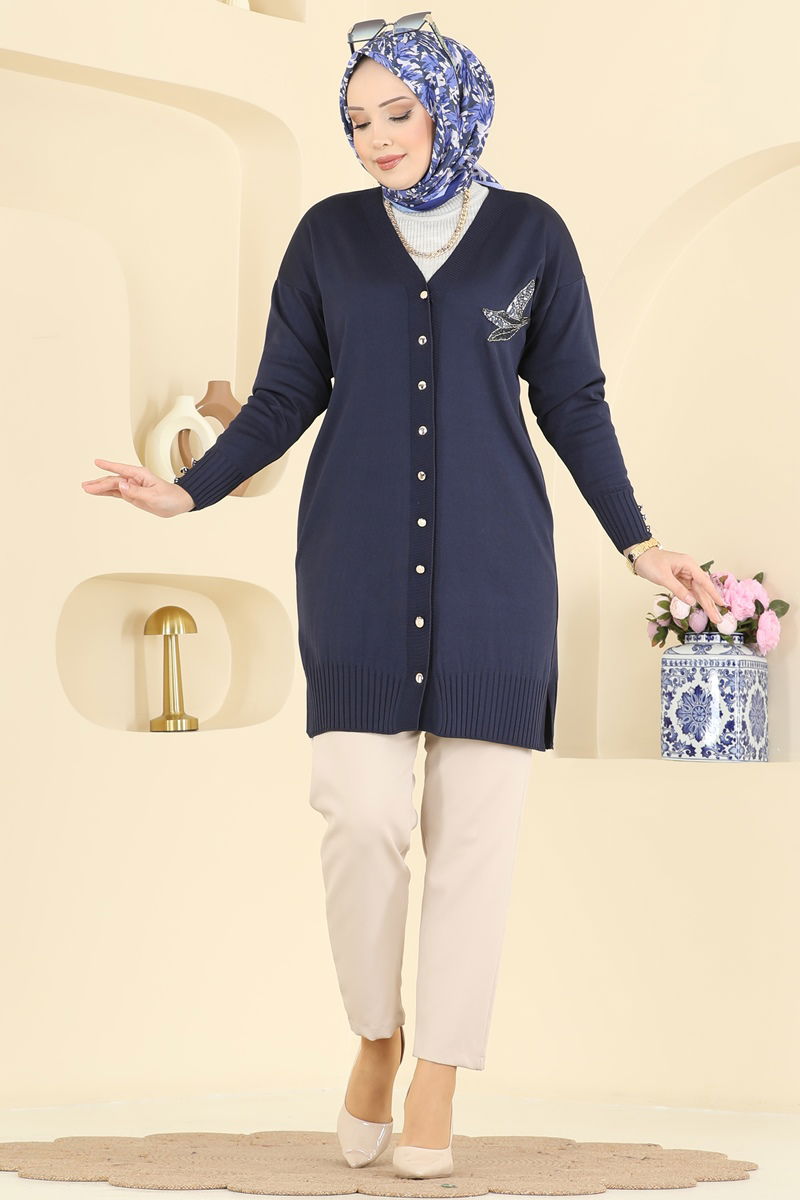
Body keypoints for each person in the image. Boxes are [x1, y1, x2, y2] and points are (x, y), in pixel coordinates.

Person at [81, 13, 726, 1182]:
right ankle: (374, 1035)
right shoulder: (327, 237)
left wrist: (636, 541)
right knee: (360, 815)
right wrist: (186, 493)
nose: (375, 136)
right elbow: (283, 395)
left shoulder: (530, 236)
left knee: (476, 839)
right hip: (356, 572)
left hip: (496, 581)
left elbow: (572, 401)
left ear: (449, 105)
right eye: (356, 118)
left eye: (396, 111)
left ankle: (438, 1073)